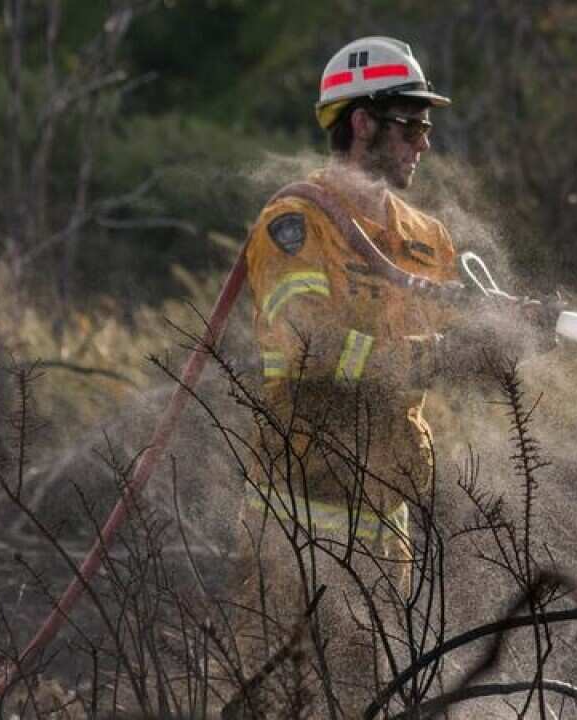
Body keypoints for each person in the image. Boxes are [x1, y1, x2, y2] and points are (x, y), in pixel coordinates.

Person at [227, 36, 465, 719]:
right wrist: (427, 358)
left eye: (427, 125)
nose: (424, 141)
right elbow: (311, 348)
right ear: (361, 123)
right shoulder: (296, 225)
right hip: (293, 533)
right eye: (411, 124)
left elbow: (441, 342)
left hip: (387, 532)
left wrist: (493, 339)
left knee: (378, 706)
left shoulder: (428, 239)